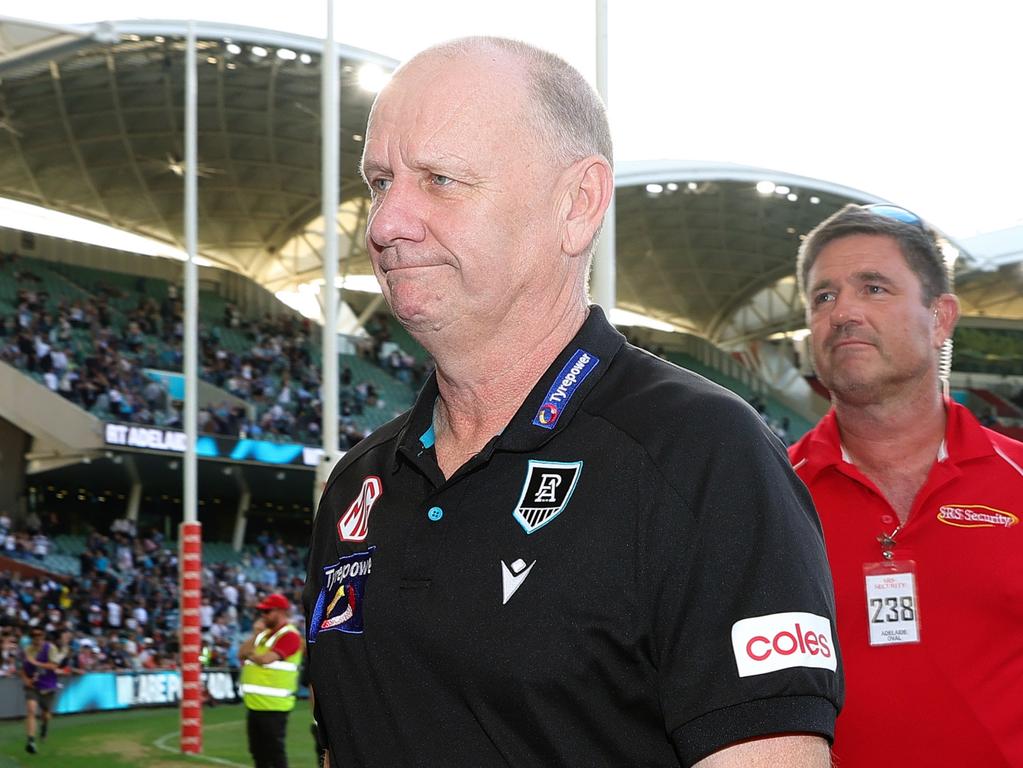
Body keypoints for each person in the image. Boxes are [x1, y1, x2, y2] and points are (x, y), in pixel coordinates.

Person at [303, 37, 842, 767]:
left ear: (576, 203)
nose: (384, 224)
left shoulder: (701, 455)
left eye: (438, 180)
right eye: (378, 182)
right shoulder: (355, 486)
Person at [789, 203, 1023, 766]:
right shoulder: (767, 496)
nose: (843, 311)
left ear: (941, 317)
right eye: (824, 296)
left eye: (873, 288)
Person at [239, 593, 303, 768]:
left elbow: (266, 659)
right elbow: (241, 652)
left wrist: (250, 654)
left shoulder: (290, 635)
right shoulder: (262, 634)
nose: (263, 615)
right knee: (258, 753)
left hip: (274, 706)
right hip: (255, 705)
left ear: (281, 612)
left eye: (267, 611)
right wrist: (254, 635)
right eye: (262, 611)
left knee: (274, 754)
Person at [20, 627, 59, 755]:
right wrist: (26, 679)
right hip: (33, 686)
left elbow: (54, 665)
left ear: (43, 636)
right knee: (31, 709)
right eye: (34, 636)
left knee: (46, 715)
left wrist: (36, 663)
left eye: (39, 635)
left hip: (48, 685)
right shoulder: (27, 650)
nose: (37, 638)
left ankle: (44, 727)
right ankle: (31, 741)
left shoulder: (51, 648)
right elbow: (22, 669)